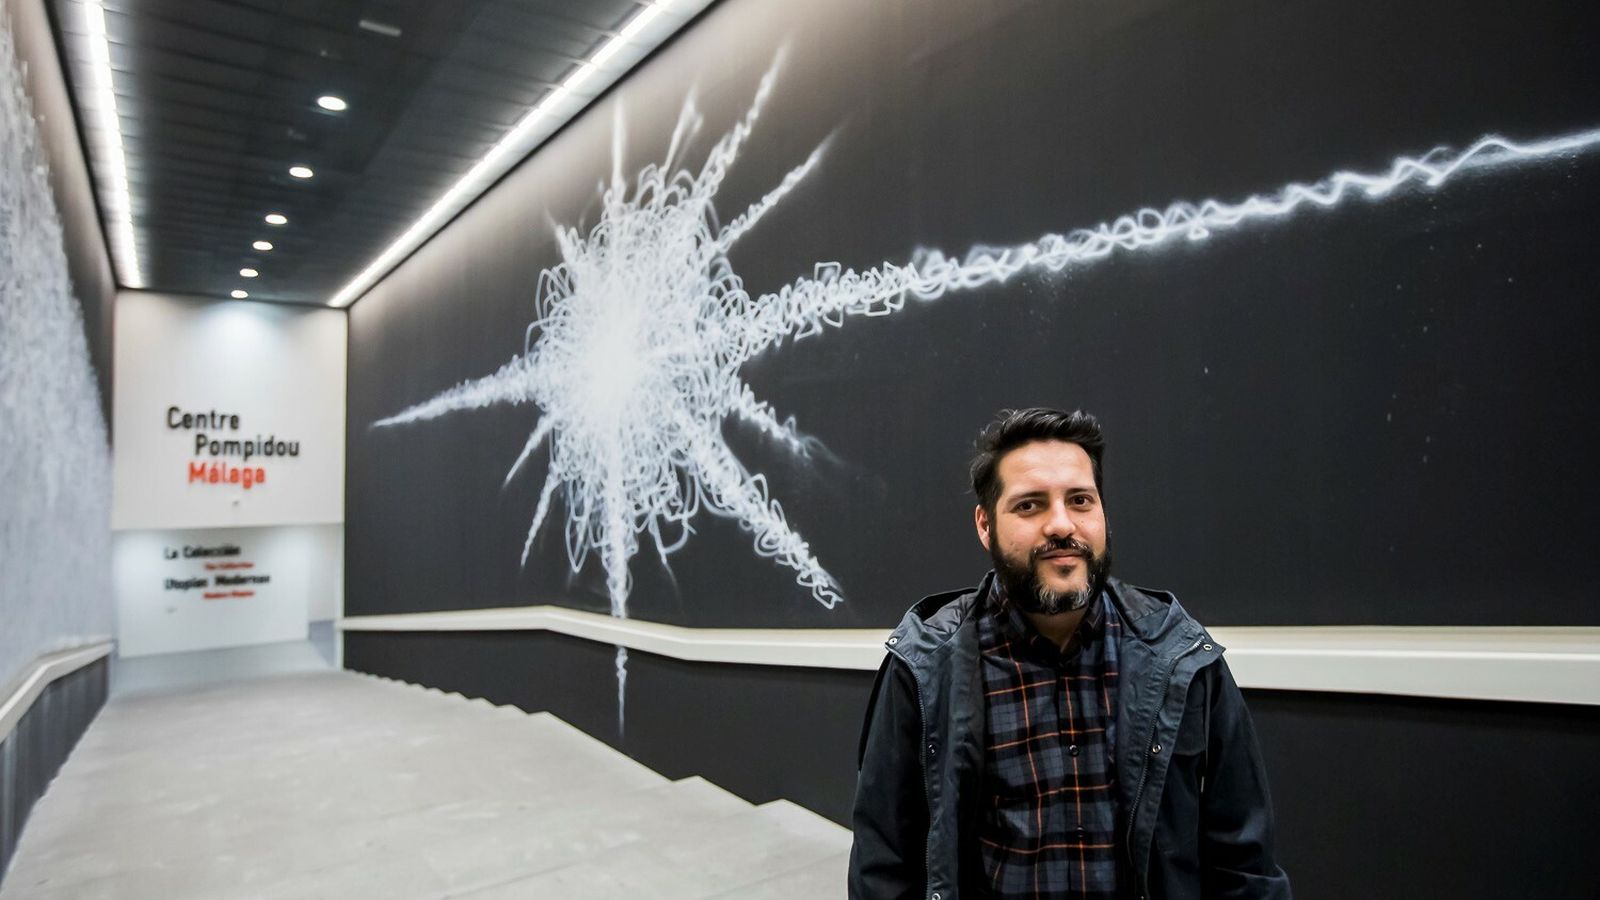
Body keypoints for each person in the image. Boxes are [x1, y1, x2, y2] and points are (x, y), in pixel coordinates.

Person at [849, 408, 1291, 900]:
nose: (1061, 525)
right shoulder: (927, 664)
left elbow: (1245, 862)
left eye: (1080, 500)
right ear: (984, 525)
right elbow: (883, 865)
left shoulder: (1180, 655)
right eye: (1030, 506)